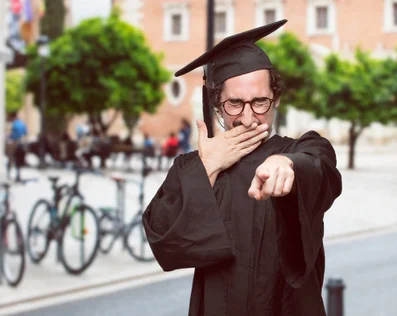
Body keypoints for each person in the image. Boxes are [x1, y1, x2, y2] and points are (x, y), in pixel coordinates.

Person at [142, 20, 342, 316]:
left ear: (276, 100)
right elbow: (165, 240)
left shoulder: (301, 151)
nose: (248, 118)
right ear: (217, 105)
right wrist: (208, 166)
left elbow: (321, 165)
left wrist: (287, 165)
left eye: (260, 101)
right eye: (235, 103)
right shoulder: (193, 168)